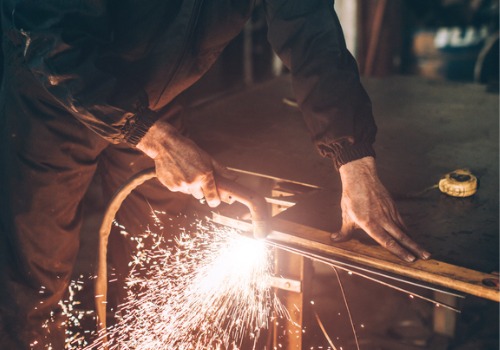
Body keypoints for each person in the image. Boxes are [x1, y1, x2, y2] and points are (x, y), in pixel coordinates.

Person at [0, 0, 430, 348]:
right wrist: (152, 136)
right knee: (34, 283)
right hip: (53, 99)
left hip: (156, 98)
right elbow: (47, 32)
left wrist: (352, 156)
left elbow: (311, 30)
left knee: (156, 267)